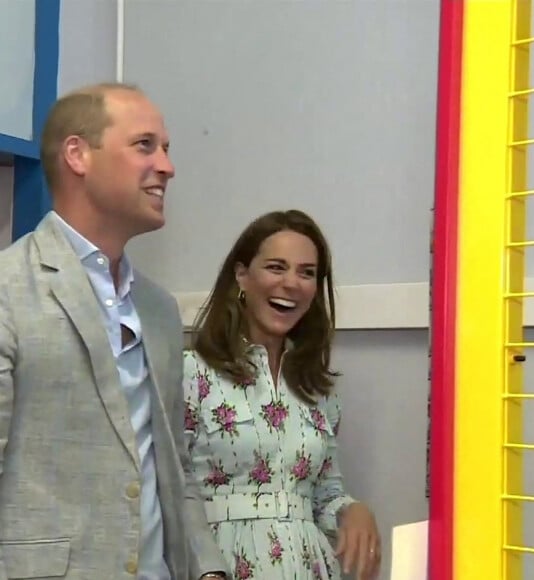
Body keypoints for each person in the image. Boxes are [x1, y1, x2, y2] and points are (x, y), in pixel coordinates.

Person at [0, 83, 228, 579]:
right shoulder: (9, 291)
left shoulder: (160, 309)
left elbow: (174, 465)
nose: (167, 166)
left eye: (166, 149)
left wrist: (207, 568)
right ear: (78, 155)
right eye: (145, 145)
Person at [183, 209, 381, 580]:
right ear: (242, 275)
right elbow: (169, 488)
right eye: (276, 267)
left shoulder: (317, 389)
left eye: (307, 273)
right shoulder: (190, 373)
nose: (292, 283)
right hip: (216, 567)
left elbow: (324, 494)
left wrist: (353, 511)